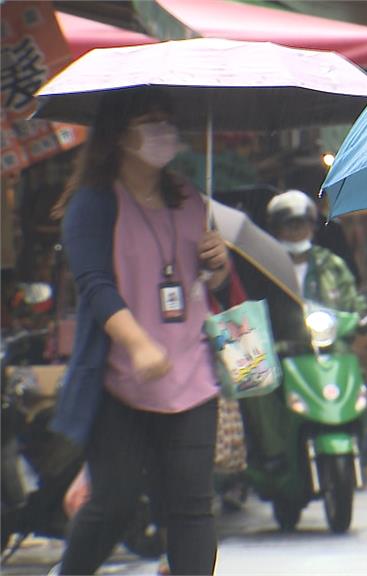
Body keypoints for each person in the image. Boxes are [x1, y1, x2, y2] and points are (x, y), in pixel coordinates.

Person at [49, 89, 228, 575]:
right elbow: (95, 284)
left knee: (192, 507)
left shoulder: (190, 197)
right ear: (119, 134)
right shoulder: (93, 203)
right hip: (120, 382)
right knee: (115, 503)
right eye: (150, 121)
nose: (163, 132)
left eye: (167, 121)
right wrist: (139, 344)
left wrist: (217, 261)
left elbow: (205, 285)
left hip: (191, 377)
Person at [241, 190, 366, 471]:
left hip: (328, 349)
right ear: (275, 228)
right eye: (290, 224)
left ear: (312, 225)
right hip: (278, 348)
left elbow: (352, 302)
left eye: (302, 223)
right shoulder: (261, 265)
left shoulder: (330, 264)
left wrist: (362, 314)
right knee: (255, 385)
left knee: (359, 377)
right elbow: (247, 302)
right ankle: (271, 453)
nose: (297, 230)